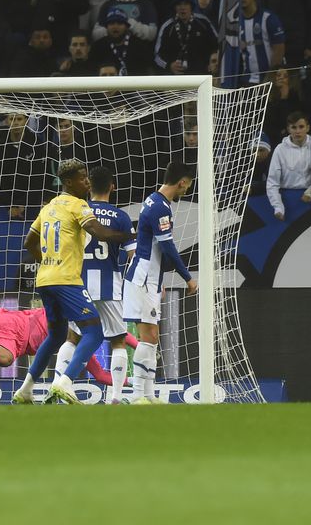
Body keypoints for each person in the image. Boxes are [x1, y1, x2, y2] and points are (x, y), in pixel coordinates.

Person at [14, 159, 135, 404]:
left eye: (87, 177)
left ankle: (26, 388)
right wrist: (134, 234)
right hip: (69, 280)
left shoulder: (49, 206)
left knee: (59, 335)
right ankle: (65, 382)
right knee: (95, 332)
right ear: (68, 182)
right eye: (82, 178)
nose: (87, 182)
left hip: (45, 279)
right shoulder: (79, 205)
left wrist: (48, 261)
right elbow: (101, 233)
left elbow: (28, 242)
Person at [52, 166, 136, 404]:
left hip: (80, 285)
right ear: (112, 187)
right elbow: (133, 256)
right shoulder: (121, 217)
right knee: (118, 340)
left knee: (72, 337)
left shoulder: (79, 211)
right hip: (110, 285)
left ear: (89, 186)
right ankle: (116, 398)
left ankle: (58, 386)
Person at [0, 294, 135, 387]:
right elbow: (118, 333)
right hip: (13, 323)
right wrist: (140, 345)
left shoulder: (80, 348)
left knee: (5, 359)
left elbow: (101, 375)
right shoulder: (80, 315)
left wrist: (136, 382)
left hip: (14, 344)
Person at [122, 161, 197, 403]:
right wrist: (188, 277)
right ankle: (136, 396)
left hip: (150, 278)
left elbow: (156, 248)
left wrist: (159, 280)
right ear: (182, 182)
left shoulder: (155, 201)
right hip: (143, 277)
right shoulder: (160, 208)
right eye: (188, 186)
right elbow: (168, 247)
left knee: (151, 337)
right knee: (149, 335)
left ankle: (147, 394)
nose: (187, 190)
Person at [267, 111, 311, 221]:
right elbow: (272, 183)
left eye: (301, 127)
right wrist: (278, 207)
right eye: (294, 127)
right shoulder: (280, 150)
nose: (297, 131)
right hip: (287, 201)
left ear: (308, 128)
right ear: (288, 129)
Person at [154, 0, 218, 75]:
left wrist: (213, 60)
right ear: (174, 7)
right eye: (179, 4)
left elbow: (218, 45)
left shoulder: (204, 22)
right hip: (175, 79)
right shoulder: (167, 27)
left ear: (191, 6)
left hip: (201, 76)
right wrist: (169, 65)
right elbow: (157, 55)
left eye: (186, 4)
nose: (182, 7)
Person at [237, 0, 285, 86]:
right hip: (247, 81)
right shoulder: (236, 23)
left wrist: (270, 76)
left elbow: (279, 49)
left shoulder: (268, 18)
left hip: (269, 80)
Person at [89, 8, 153, 75]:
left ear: (126, 27)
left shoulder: (139, 46)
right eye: (111, 23)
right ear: (106, 27)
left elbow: (148, 70)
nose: (115, 26)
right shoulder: (98, 47)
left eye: (119, 23)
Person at [92, 0, 158, 44]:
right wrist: (112, 28)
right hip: (109, 50)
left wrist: (129, 23)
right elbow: (95, 35)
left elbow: (152, 34)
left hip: (137, 49)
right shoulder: (107, 5)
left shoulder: (146, 4)